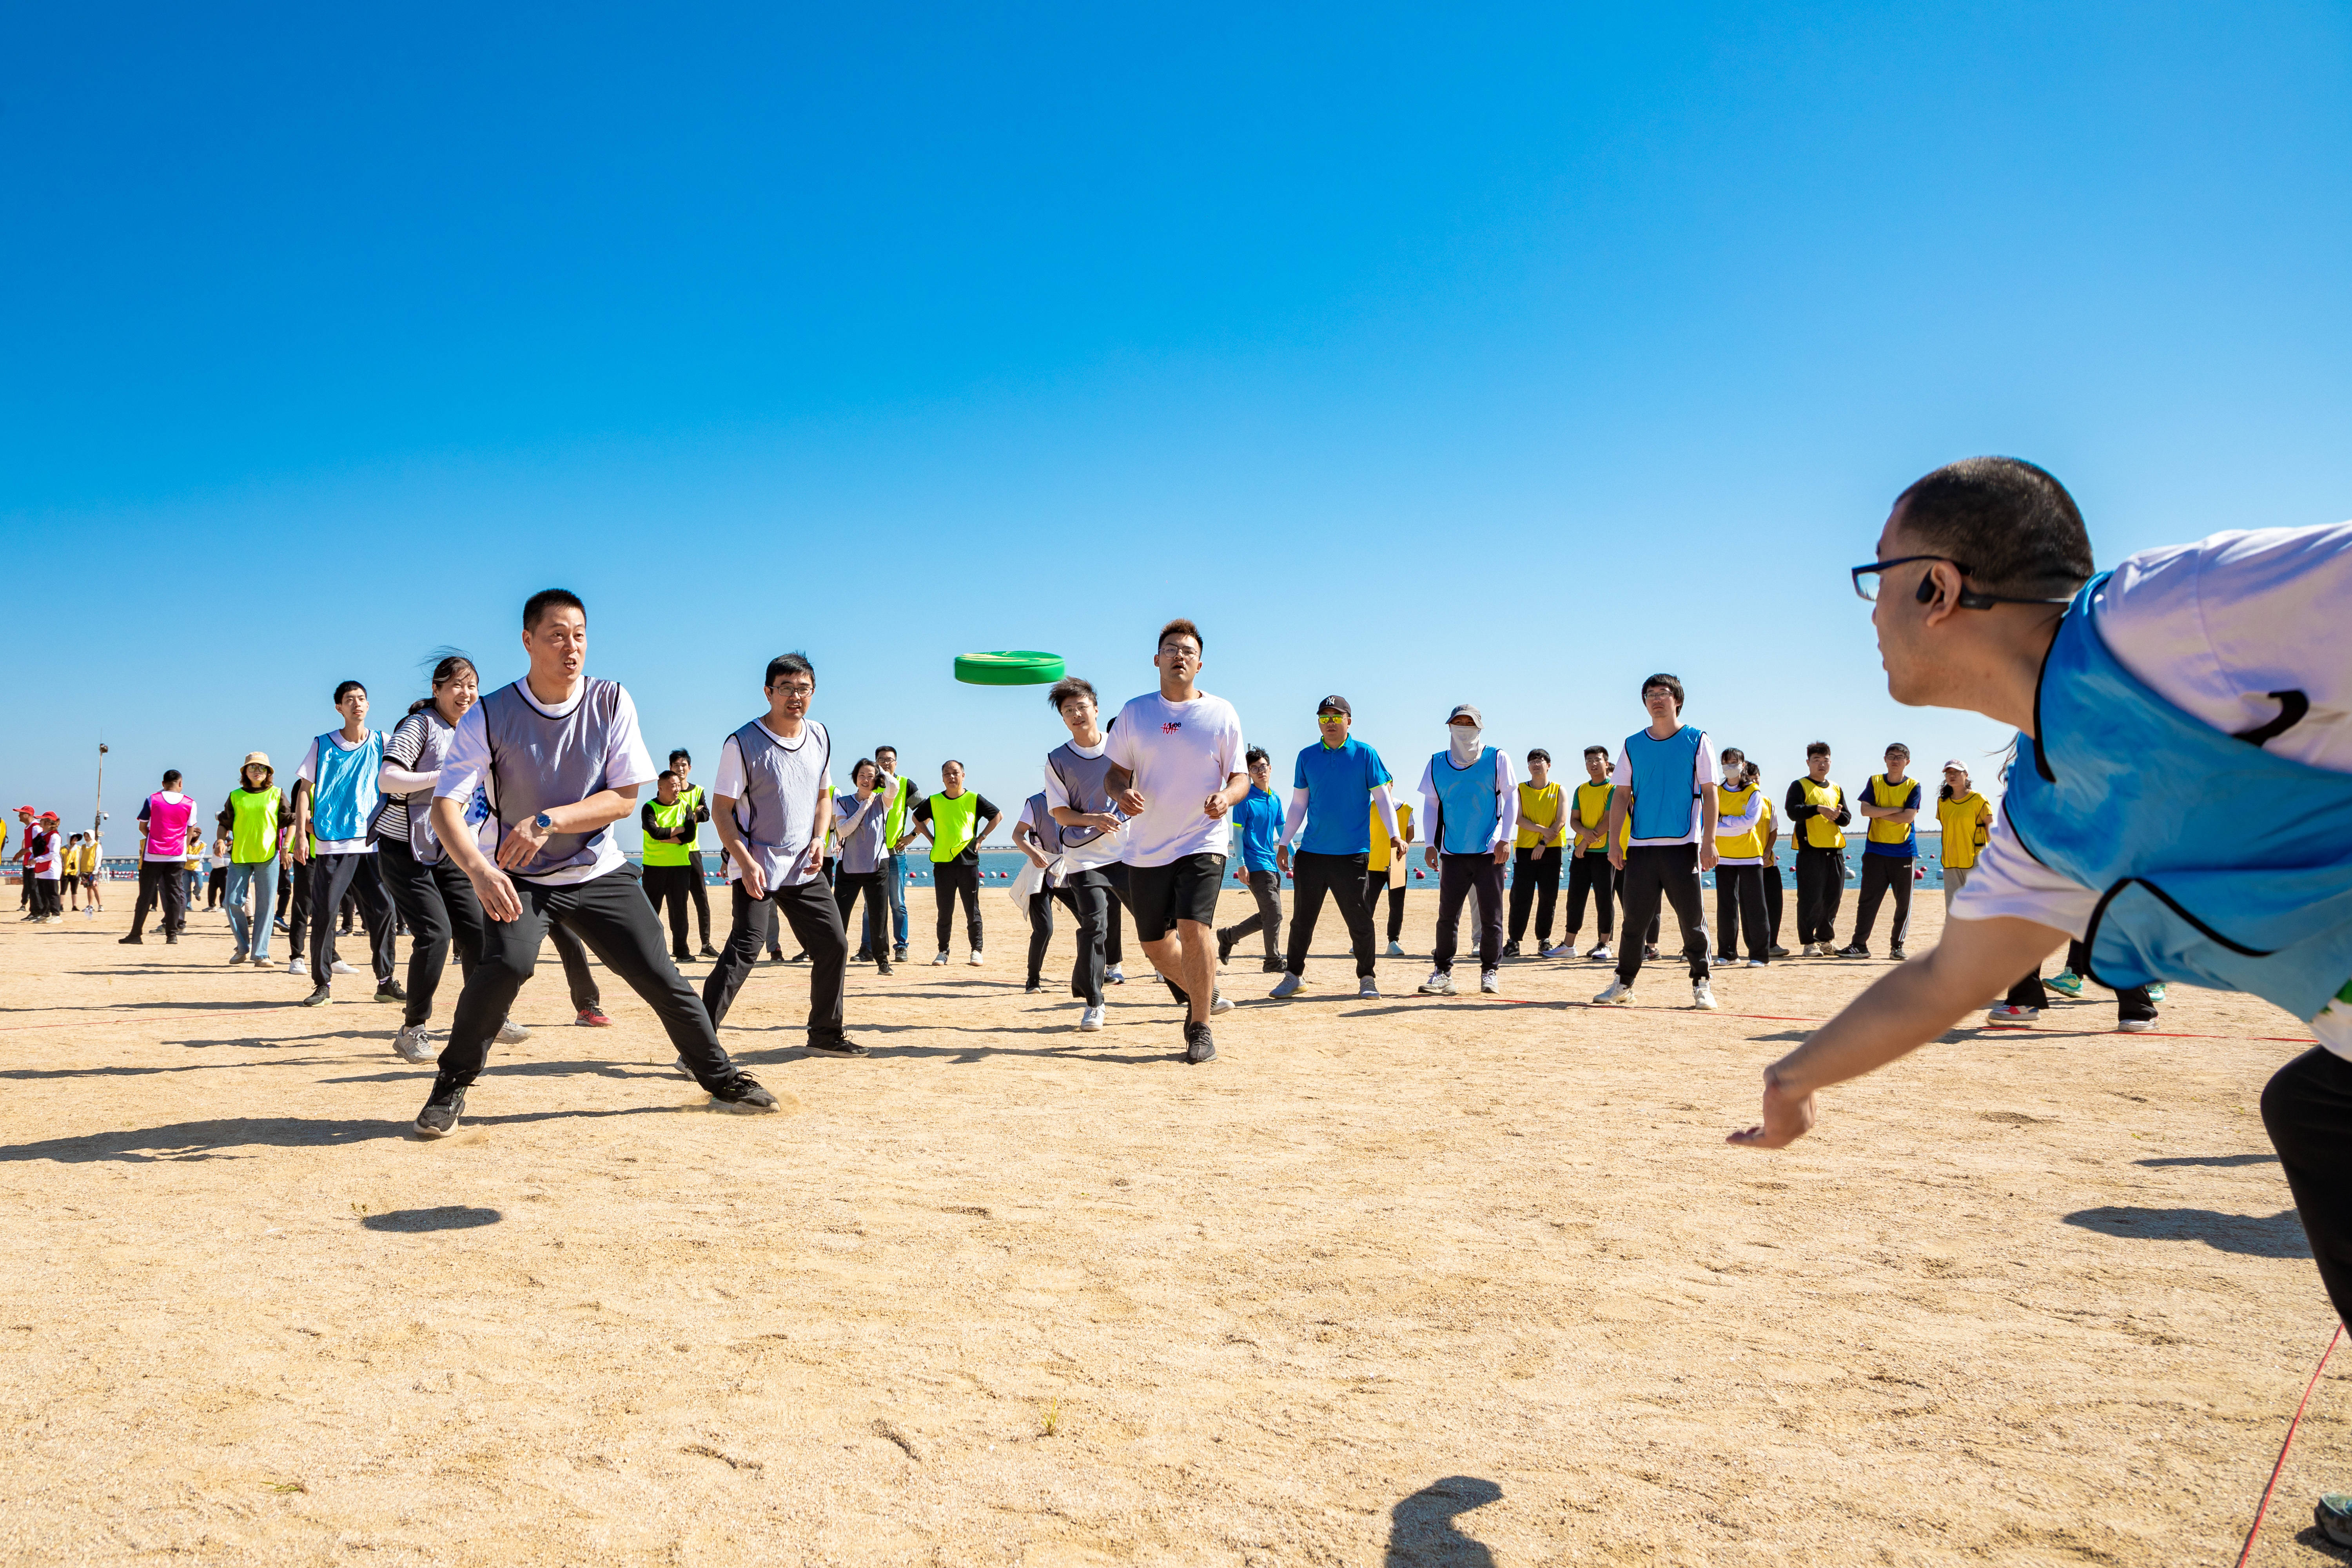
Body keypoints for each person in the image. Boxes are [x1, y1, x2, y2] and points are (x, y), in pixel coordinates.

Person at [1726, 461, 2352, 1534]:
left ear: (1936, 585)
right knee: (2315, 1110)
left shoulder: (2173, 613)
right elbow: (1945, 981)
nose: (1868, 611)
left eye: (1876, 578)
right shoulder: (2044, 811)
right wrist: (1793, 1078)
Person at [416, 589, 780, 1136]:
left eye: (580, 635)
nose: (572, 647)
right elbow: (446, 806)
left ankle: (720, 1077)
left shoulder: (611, 700)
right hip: (519, 877)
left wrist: (548, 821)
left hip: (598, 871)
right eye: (557, 635)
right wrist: (480, 869)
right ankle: (452, 1084)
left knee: (660, 975)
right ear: (528, 641)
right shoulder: (490, 713)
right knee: (507, 967)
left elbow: (624, 797)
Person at [700, 651, 864, 1056]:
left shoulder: (821, 735)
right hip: (757, 864)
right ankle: (697, 1047)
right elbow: (721, 809)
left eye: (804, 689)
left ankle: (825, 1033)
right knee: (745, 948)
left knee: (834, 943)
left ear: (814, 692)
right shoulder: (742, 742)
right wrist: (743, 858)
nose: (796, 696)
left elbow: (824, 795)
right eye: (786, 688)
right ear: (768, 692)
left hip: (804, 864)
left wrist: (819, 838)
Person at [1103, 618, 1248, 1062]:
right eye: (1171, 649)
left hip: (1203, 838)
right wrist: (1119, 793)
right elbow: (1113, 773)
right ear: (1157, 659)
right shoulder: (1134, 712)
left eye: (1187, 650)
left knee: (1194, 926)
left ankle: (1200, 1024)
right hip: (1147, 844)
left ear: (1199, 663)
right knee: (1154, 944)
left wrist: (1225, 798)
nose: (1179, 655)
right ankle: (1203, 987)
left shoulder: (1221, 713)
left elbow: (1241, 777)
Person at [1593, 675, 1720, 1009]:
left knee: (1692, 920)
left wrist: (1709, 841)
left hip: (1683, 845)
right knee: (1634, 921)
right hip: (1641, 847)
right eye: (1650, 695)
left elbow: (1710, 792)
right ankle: (1623, 984)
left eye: (1663, 694)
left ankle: (1702, 983)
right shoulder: (1633, 744)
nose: (1656, 700)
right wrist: (1615, 844)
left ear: (1677, 699)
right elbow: (1621, 796)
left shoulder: (1697, 739)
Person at [1271, 695, 1397, 1001]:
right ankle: (1293, 976)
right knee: (1302, 920)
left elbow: (1382, 798)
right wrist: (1285, 842)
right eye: (1324, 717)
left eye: (1336, 717)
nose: (1330, 723)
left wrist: (1395, 835)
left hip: (1352, 855)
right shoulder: (1307, 756)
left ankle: (1367, 978)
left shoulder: (1366, 755)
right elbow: (1299, 803)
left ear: (1348, 721)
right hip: (1312, 854)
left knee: (1360, 921)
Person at [292, 681, 399, 1007]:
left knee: (385, 910)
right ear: (339, 707)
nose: (358, 704)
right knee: (325, 913)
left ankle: (385, 981)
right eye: (350, 700)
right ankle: (322, 984)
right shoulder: (323, 744)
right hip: (333, 843)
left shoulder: (384, 741)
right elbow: (303, 791)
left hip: (372, 841)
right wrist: (300, 835)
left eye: (362, 699)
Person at [1042, 675, 1134, 1030]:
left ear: (1096, 710)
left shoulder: (1122, 748)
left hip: (1129, 851)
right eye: (1069, 711)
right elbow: (1060, 813)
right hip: (1085, 856)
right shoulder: (1057, 759)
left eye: (1082, 707)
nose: (1077, 714)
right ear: (1064, 719)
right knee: (1095, 925)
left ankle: (1193, 990)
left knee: (1157, 923)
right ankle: (1095, 1002)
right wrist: (1094, 818)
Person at [1416, 704, 1518, 997]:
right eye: (1458, 722)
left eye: (1469, 723)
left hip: (1489, 851)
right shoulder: (1436, 763)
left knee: (1491, 916)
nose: (1464, 727)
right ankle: (1443, 972)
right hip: (1452, 851)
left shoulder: (1498, 758)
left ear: (1480, 728)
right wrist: (1432, 844)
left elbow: (1511, 800)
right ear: (1449, 727)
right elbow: (1432, 804)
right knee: (1447, 916)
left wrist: (1505, 838)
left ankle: (1490, 971)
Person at [909, 761, 999, 966]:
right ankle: (943, 951)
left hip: (968, 863)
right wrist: (932, 839)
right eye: (947, 774)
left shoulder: (974, 799)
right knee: (944, 911)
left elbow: (997, 816)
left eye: (955, 773)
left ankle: (977, 951)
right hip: (943, 864)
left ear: (963, 776)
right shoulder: (934, 801)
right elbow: (916, 818)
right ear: (942, 777)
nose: (951, 777)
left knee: (972, 911)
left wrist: (982, 837)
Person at [1838, 742, 1922, 960]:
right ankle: (1859, 945)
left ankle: (1897, 947)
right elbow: (1865, 810)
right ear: (1885, 759)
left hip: (1904, 852)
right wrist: (1895, 809)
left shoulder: (1914, 786)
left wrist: (1880, 813)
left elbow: (1908, 817)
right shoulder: (1875, 781)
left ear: (1908, 762)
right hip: (1875, 851)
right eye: (1891, 756)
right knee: (1867, 901)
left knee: (1903, 903)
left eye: (1900, 757)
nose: (1895, 760)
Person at [1214, 747, 1284, 974]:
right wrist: (1241, 864)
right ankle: (1273, 961)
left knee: (1268, 915)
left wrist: (1294, 855)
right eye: (1254, 769)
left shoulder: (1276, 799)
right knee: (1274, 913)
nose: (1260, 771)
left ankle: (1229, 936)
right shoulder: (1244, 800)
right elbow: (1237, 836)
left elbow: (1283, 833)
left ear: (1270, 769)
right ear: (1249, 774)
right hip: (1255, 865)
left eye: (1263, 767)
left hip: (1273, 865)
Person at [1548, 746, 1620, 962]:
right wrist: (1583, 842)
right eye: (1589, 761)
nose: (1593, 764)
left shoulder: (1614, 789)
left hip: (1604, 852)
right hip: (1581, 854)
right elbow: (1573, 821)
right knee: (1575, 899)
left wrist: (1583, 844)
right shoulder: (1581, 790)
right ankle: (1569, 944)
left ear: (1607, 763)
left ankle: (1605, 944)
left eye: (1597, 760)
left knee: (1604, 900)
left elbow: (1608, 821)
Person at [1784, 742, 1851, 957]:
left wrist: (1837, 814)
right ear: (1808, 762)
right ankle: (1808, 942)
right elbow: (1793, 811)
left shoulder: (1836, 788)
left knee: (1833, 898)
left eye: (1825, 760)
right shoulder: (1800, 785)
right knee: (1810, 898)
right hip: (1810, 851)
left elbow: (1847, 819)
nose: (1822, 764)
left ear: (1831, 762)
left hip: (1835, 851)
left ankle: (1825, 940)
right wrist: (1818, 809)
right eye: (1817, 760)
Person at [220, 752, 283, 966]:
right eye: (253, 767)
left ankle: (261, 953)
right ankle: (243, 946)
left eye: (262, 768)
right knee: (231, 902)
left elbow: (290, 821)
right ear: (245, 772)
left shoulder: (277, 794)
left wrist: (289, 849)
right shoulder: (236, 796)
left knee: (266, 906)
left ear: (269, 773)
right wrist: (221, 840)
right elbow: (224, 823)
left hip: (268, 856)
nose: (258, 771)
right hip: (240, 855)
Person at [1711, 746, 1772, 968]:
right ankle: (1728, 954)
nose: (1730, 767)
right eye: (1725, 763)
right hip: (1724, 857)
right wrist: (1731, 824)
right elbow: (1708, 823)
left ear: (1743, 765)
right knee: (1726, 907)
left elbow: (1750, 823)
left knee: (1756, 907)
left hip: (1749, 856)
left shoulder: (1753, 791)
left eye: (1734, 762)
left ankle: (1759, 955)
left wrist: (1723, 821)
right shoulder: (1716, 792)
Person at [122, 770, 199, 944]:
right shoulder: (190, 803)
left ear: (163, 783)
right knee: (174, 894)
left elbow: (142, 826)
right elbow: (191, 831)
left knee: (145, 895)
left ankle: (136, 935)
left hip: (153, 854)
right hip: (177, 855)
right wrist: (183, 847)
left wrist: (153, 837)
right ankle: (172, 934)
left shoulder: (153, 799)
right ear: (181, 784)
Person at [832, 759, 893, 976]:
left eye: (870, 776)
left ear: (876, 779)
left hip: (878, 865)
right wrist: (863, 807)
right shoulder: (843, 802)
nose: (866, 780)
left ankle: (883, 960)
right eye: (861, 776)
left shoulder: (883, 801)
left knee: (879, 914)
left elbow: (894, 787)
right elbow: (844, 831)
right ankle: (834, 957)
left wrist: (883, 774)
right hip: (849, 867)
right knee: (839, 914)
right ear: (855, 779)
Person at [1505, 749, 1566, 959]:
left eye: (1540, 760)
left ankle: (1544, 940)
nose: (1535, 764)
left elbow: (1561, 821)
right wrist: (1542, 830)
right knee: (1520, 897)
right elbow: (1518, 819)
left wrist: (1543, 843)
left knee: (1548, 897)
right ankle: (1514, 941)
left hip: (1551, 850)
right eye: (1531, 761)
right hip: (1524, 850)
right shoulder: (1520, 790)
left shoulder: (1559, 790)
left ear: (1548, 765)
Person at [639, 769, 700, 963]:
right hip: (654, 867)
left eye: (678, 786)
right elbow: (655, 833)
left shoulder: (685, 807)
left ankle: (681, 951)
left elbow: (690, 836)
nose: (677, 789)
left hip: (680, 867)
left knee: (679, 911)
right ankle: (647, 951)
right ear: (661, 788)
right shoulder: (649, 808)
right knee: (650, 912)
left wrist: (668, 835)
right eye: (673, 786)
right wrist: (678, 832)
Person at [667, 748, 720, 958]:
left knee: (701, 900)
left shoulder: (698, 791)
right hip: (671, 854)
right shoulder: (666, 792)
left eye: (683, 765)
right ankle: (680, 948)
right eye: (676, 765)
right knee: (677, 903)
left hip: (693, 852)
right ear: (670, 768)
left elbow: (706, 814)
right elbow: (666, 819)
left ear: (689, 768)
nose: (680, 769)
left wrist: (690, 819)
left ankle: (706, 944)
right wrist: (691, 815)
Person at [1011, 789, 1062, 993]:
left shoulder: (1078, 800)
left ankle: (1095, 972)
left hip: (1071, 869)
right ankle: (1033, 979)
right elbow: (1017, 834)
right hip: (1042, 870)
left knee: (1094, 923)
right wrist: (1033, 854)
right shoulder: (1036, 803)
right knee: (1044, 929)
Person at [873, 744, 915, 963]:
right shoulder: (870, 783)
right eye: (881, 759)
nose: (886, 763)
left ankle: (901, 947)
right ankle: (868, 948)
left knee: (897, 902)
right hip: (872, 855)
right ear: (876, 762)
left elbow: (926, 810)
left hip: (896, 855)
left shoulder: (906, 785)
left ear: (896, 762)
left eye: (889, 759)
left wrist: (912, 836)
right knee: (871, 905)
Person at [1934, 759, 1992, 900]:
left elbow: (1991, 830)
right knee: (1954, 908)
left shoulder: (1979, 800)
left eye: (1956, 772)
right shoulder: (1943, 802)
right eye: (1948, 773)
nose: (1952, 775)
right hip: (1950, 862)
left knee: (1977, 906)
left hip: (1975, 860)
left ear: (1966, 775)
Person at [1364, 797, 1413, 958]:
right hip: (1374, 862)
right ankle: (1362, 939)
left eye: (1387, 784)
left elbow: (1410, 834)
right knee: (1368, 904)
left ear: (1392, 785)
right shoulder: (1368, 806)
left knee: (1397, 905)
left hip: (1397, 863)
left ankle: (1393, 942)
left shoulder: (1406, 808)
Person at [1751, 762, 1787, 956]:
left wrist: (1768, 851)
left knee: (1775, 904)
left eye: (1757, 777)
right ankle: (1754, 946)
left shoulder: (1767, 802)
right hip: (1746, 864)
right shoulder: (1736, 801)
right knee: (1750, 908)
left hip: (1768, 862)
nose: (1755, 780)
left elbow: (1774, 830)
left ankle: (1772, 944)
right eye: (1751, 777)